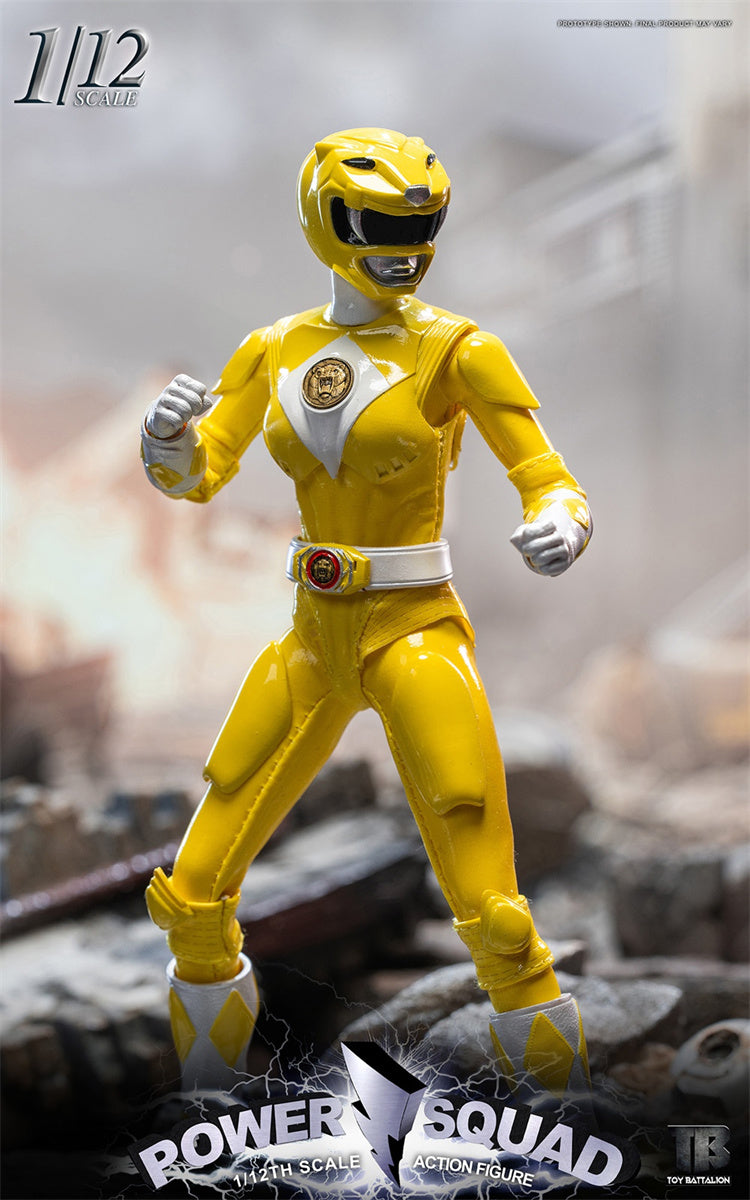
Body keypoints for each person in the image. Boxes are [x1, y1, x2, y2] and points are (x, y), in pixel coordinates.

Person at [141, 128, 592, 1096]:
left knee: (497, 918)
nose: (405, 248)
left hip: (413, 628)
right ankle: (206, 1109)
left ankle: (569, 1117)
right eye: (380, 226)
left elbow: (546, 474)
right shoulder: (275, 348)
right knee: (191, 897)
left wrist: (561, 519)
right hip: (312, 635)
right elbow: (199, 474)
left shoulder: (457, 351)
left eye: (421, 228)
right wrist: (167, 440)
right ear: (327, 220)